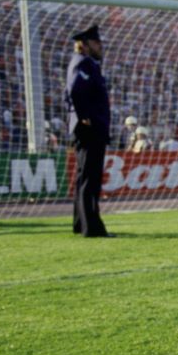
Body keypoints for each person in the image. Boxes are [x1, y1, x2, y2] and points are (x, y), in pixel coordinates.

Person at [65, 24, 112, 238]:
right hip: (89, 129)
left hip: (89, 128)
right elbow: (75, 90)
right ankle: (91, 227)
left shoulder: (86, 63)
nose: (100, 46)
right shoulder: (83, 63)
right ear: (84, 45)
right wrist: (84, 117)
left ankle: (80, 223)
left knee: (85, 176)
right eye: (96, 42)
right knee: (90, 178)